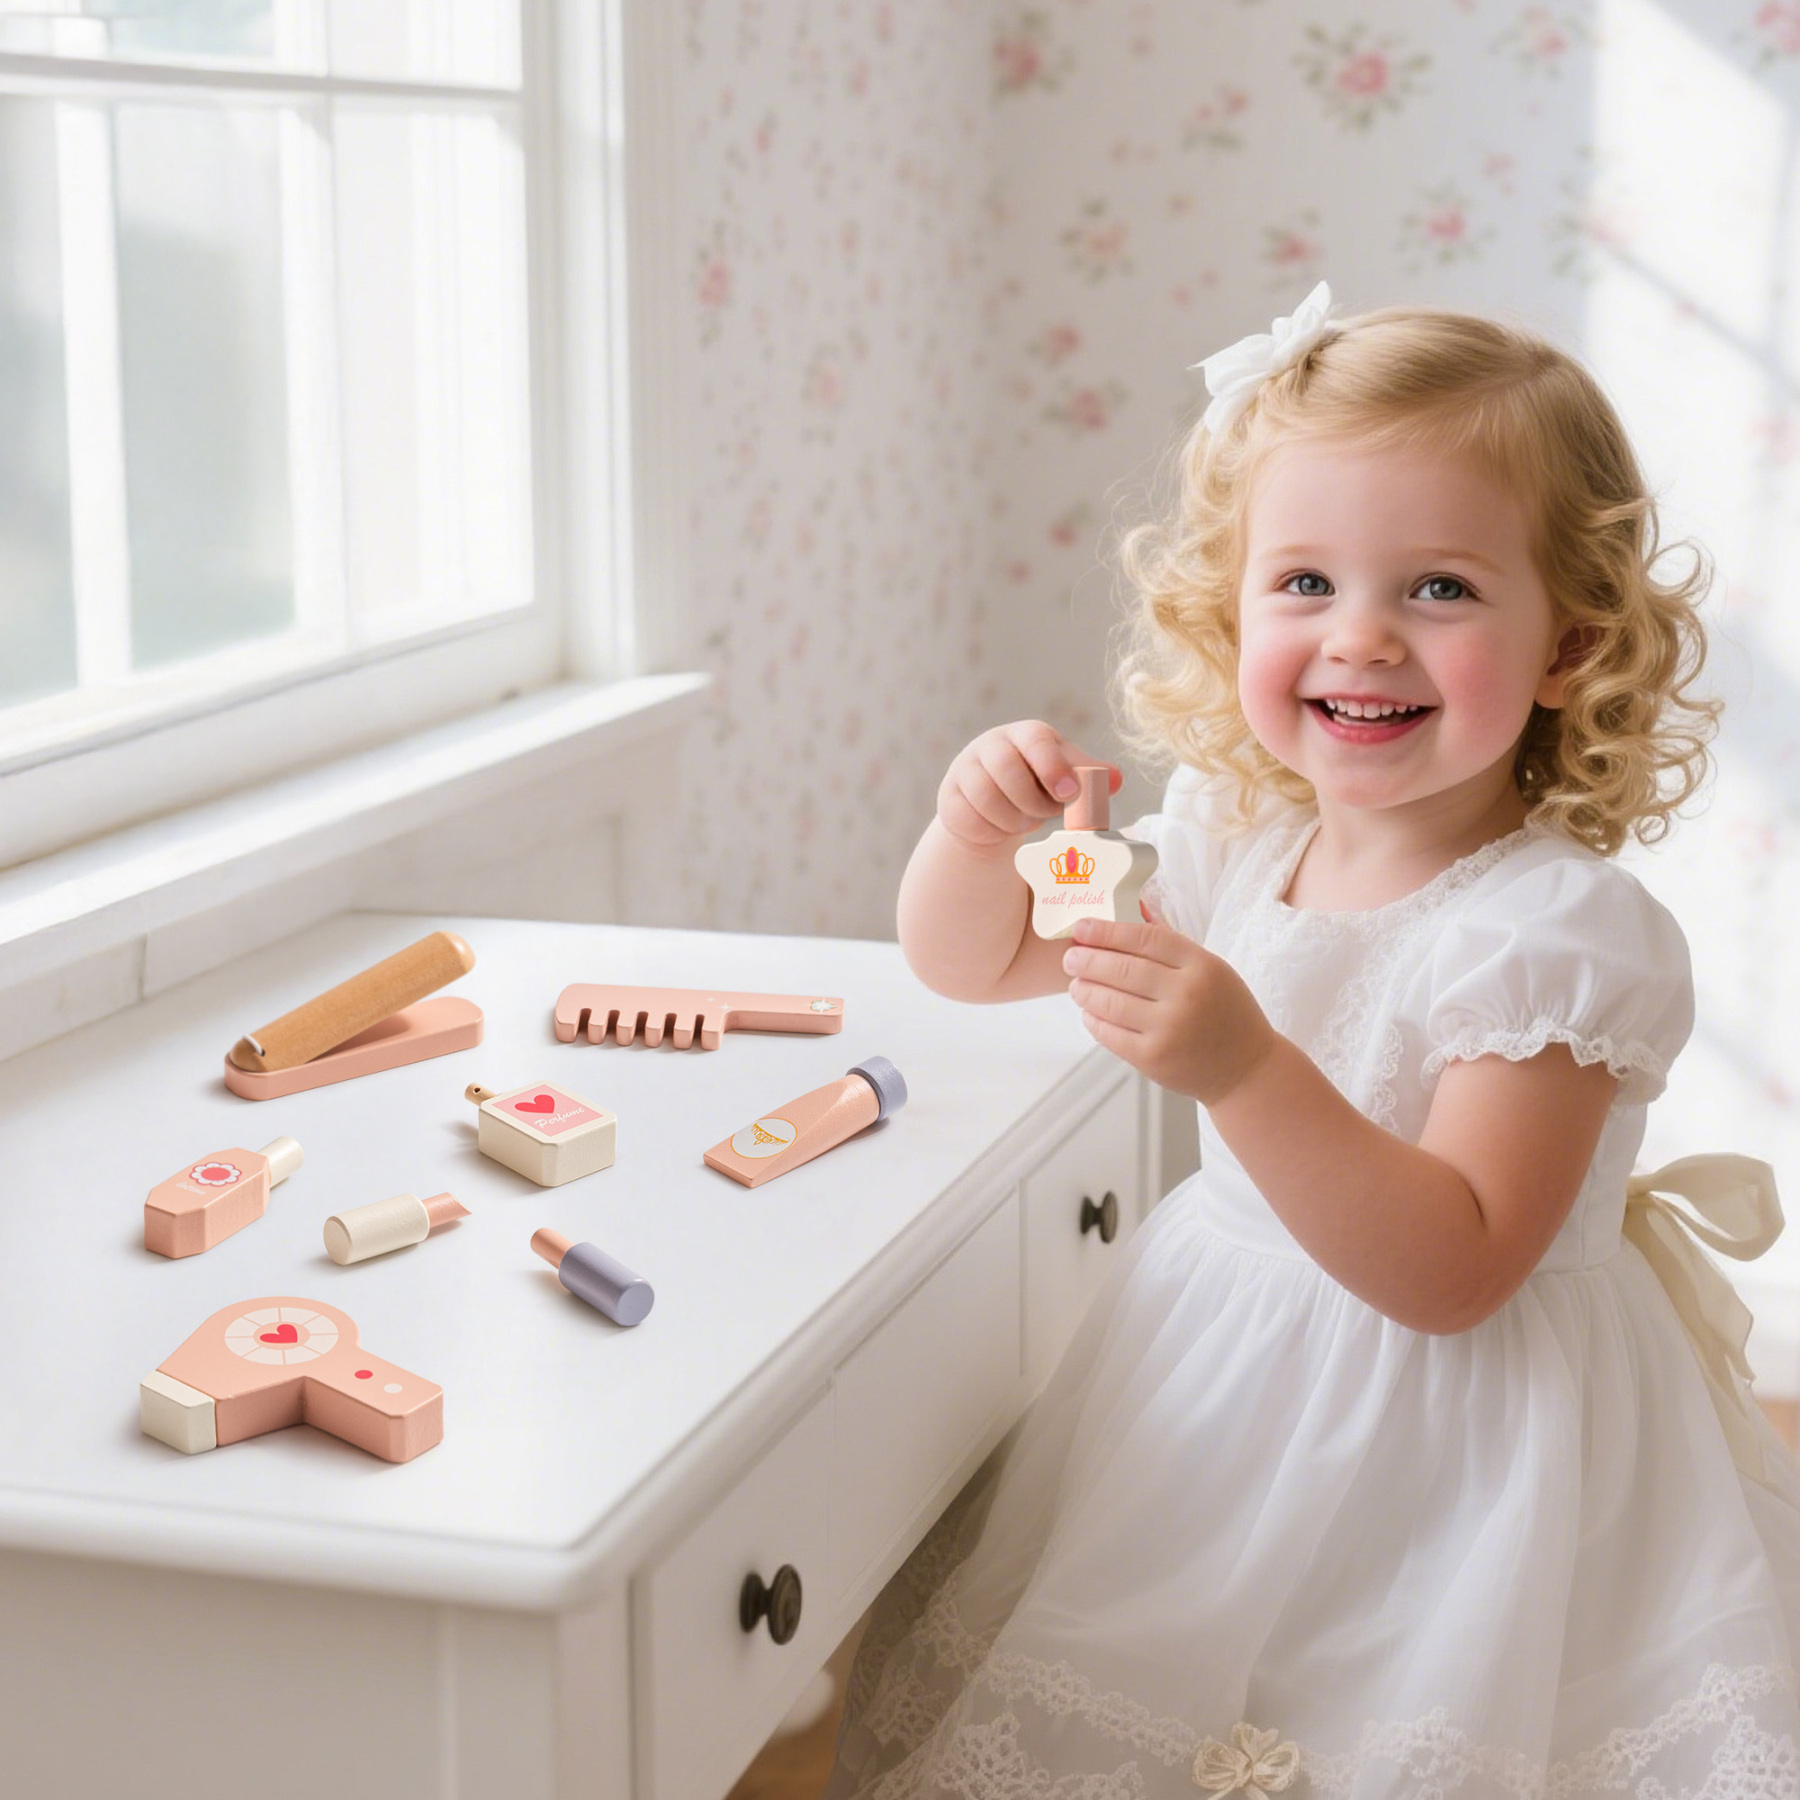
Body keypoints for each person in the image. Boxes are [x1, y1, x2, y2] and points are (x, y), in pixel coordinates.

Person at [822, 285, 1800, 1799]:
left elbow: (1456, 1269)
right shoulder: (1237, 835)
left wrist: (1246, 1069)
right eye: (1304, 581)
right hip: (1221, 1372)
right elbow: (979, 959)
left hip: (1467, 1450)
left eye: (1442, 591)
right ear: (1234, 609)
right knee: (1172, 1688)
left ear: (1568, 646)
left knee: (1387, 1727)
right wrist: (971, 831)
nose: (1363, 637)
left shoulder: (1554, 937)